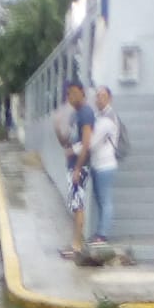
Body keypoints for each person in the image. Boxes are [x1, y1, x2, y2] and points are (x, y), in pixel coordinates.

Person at [61, 80, 94, 257]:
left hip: (79, 167)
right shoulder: (76, 114)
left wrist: (77, 168)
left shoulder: (86, 113)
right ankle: (75, 243)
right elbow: (71, 139)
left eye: (73, 93)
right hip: (73, 165)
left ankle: (77, 246)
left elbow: (87, 143)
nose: (71, 97)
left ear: (82, 92)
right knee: (75, 205)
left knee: (78, 205)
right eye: (68, 94)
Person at [89, 85, 119, 244]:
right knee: (100, 200)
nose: (98, 99)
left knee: (105, 200)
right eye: (97, 96)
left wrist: (73, 149)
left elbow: (92, 143)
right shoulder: (98, 116)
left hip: (105, 166)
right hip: (97, 164)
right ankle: (100, 232)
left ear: (109, 98)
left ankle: (103, 234)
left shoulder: (108, 119)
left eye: (102, 96)